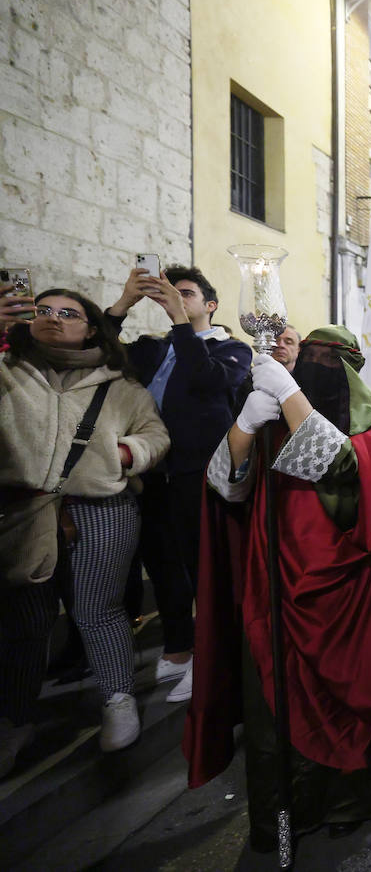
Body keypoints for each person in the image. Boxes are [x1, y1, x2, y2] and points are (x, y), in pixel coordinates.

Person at [184, 328, 371, 850]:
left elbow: (338, 470)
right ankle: (286, 811)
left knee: (353, 700)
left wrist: (290, 395)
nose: (314, 364)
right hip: (276, 592)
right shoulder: (274, 422)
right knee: (275, 704)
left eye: (327, 359)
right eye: (306, 357)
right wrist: (244, 426)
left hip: (350, 602)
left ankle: (352, 801)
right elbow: (227, 486)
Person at [0, 289, 169, 773]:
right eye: (43, 311)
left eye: (67, 313)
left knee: (98, 609)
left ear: (91, 327)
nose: (53, 319)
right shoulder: (10, 371)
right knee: (26, 622)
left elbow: (155, 435)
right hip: (24, 512)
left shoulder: (121, 386)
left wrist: (125, 454)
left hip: (100, 508)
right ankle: (14, 719)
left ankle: (117, 698)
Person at [106, 264, 251, 703]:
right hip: (152, 473)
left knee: (203, 567)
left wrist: (179, 322)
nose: (176, 297)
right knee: (164, 566)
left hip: (199, 473)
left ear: (209, 305)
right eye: (170, 292)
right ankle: (179, 648)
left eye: (185, 293)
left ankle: (213, 656)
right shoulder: (152, 348)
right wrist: (125, 302)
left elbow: (208, 381)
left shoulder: (232, 349)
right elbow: (101, 351)